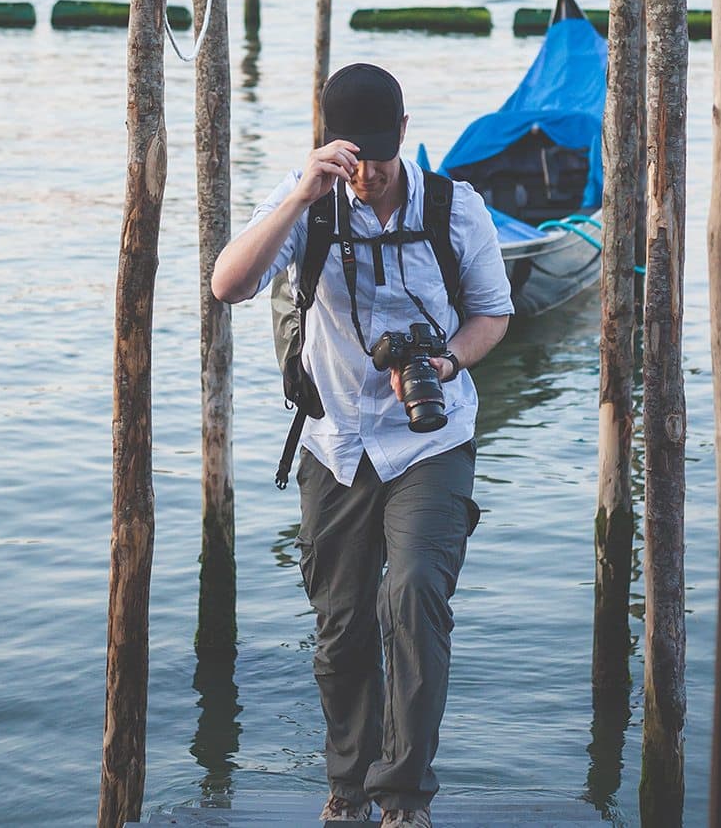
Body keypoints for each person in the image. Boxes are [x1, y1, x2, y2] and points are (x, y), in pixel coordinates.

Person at [211, 63, 513, 827]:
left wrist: (446, 359)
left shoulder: (455, 208)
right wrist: (302, 195)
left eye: (382, 155)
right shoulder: (305, 202)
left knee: (412, 594)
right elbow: (227, 284)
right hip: (335, 441)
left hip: (430, 439)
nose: (370, 174)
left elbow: (492, 316)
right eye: (355, 154)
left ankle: (403, 796)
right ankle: (347, 788)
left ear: (404, 136)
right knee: (342, 624)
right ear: (327, 140)